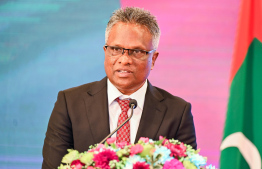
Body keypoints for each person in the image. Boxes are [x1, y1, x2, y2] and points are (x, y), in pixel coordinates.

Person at [42, 7, 196, 169]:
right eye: (116, 49)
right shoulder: (70, 104)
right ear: (105, 51)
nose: (124, 60)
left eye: (136, 51)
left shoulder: (177, 112)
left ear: (153, 58)